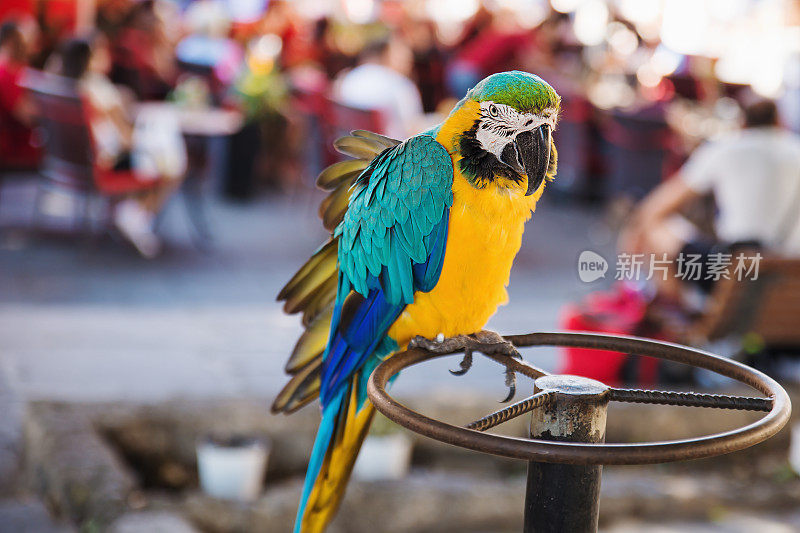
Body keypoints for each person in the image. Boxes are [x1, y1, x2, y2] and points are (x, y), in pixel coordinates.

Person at [619, 99, 800, 297]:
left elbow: (655, 208)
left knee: (654, 227)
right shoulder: (795, 148)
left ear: (743, 123)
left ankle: (679, 314)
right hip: (791, 275)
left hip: (736, 272)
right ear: (779, 122)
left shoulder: (725, 148)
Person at [60, 36, 185, 258]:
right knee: (173, 161)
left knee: (162, 154)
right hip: (107, 163)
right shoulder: (101, 91)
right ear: (89, 59)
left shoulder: (68, 86)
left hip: (77, 162)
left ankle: (134, 213)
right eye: (101, 52)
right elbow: (126, 138)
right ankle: (138, 214)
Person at [335, 36, 423, 140]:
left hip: (351, 149)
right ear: (386, 55)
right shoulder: (400, 85)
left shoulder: (349, 78)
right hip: (393, 152)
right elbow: (414, 129)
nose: (409, 62)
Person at [0, 19, 40, 168]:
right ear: (10, 41)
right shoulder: (6, 73)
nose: (31, 47)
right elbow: (26, 117)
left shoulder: (17, 69)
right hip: (17, 149)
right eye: (25, 41)